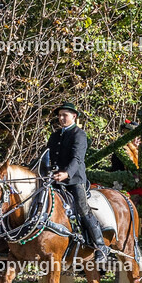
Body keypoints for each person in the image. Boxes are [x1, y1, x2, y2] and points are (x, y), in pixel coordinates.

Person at [46, 101, 112, 263]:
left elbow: (77, 158)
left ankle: (100, 246)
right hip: (54, 179)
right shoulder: (54, 136)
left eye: (64, 115)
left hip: (74, 180)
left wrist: (66, 173)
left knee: (83, 208)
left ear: (74, 117)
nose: (61, 118)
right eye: (60, 115)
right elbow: (46, 156)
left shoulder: (79, 135)